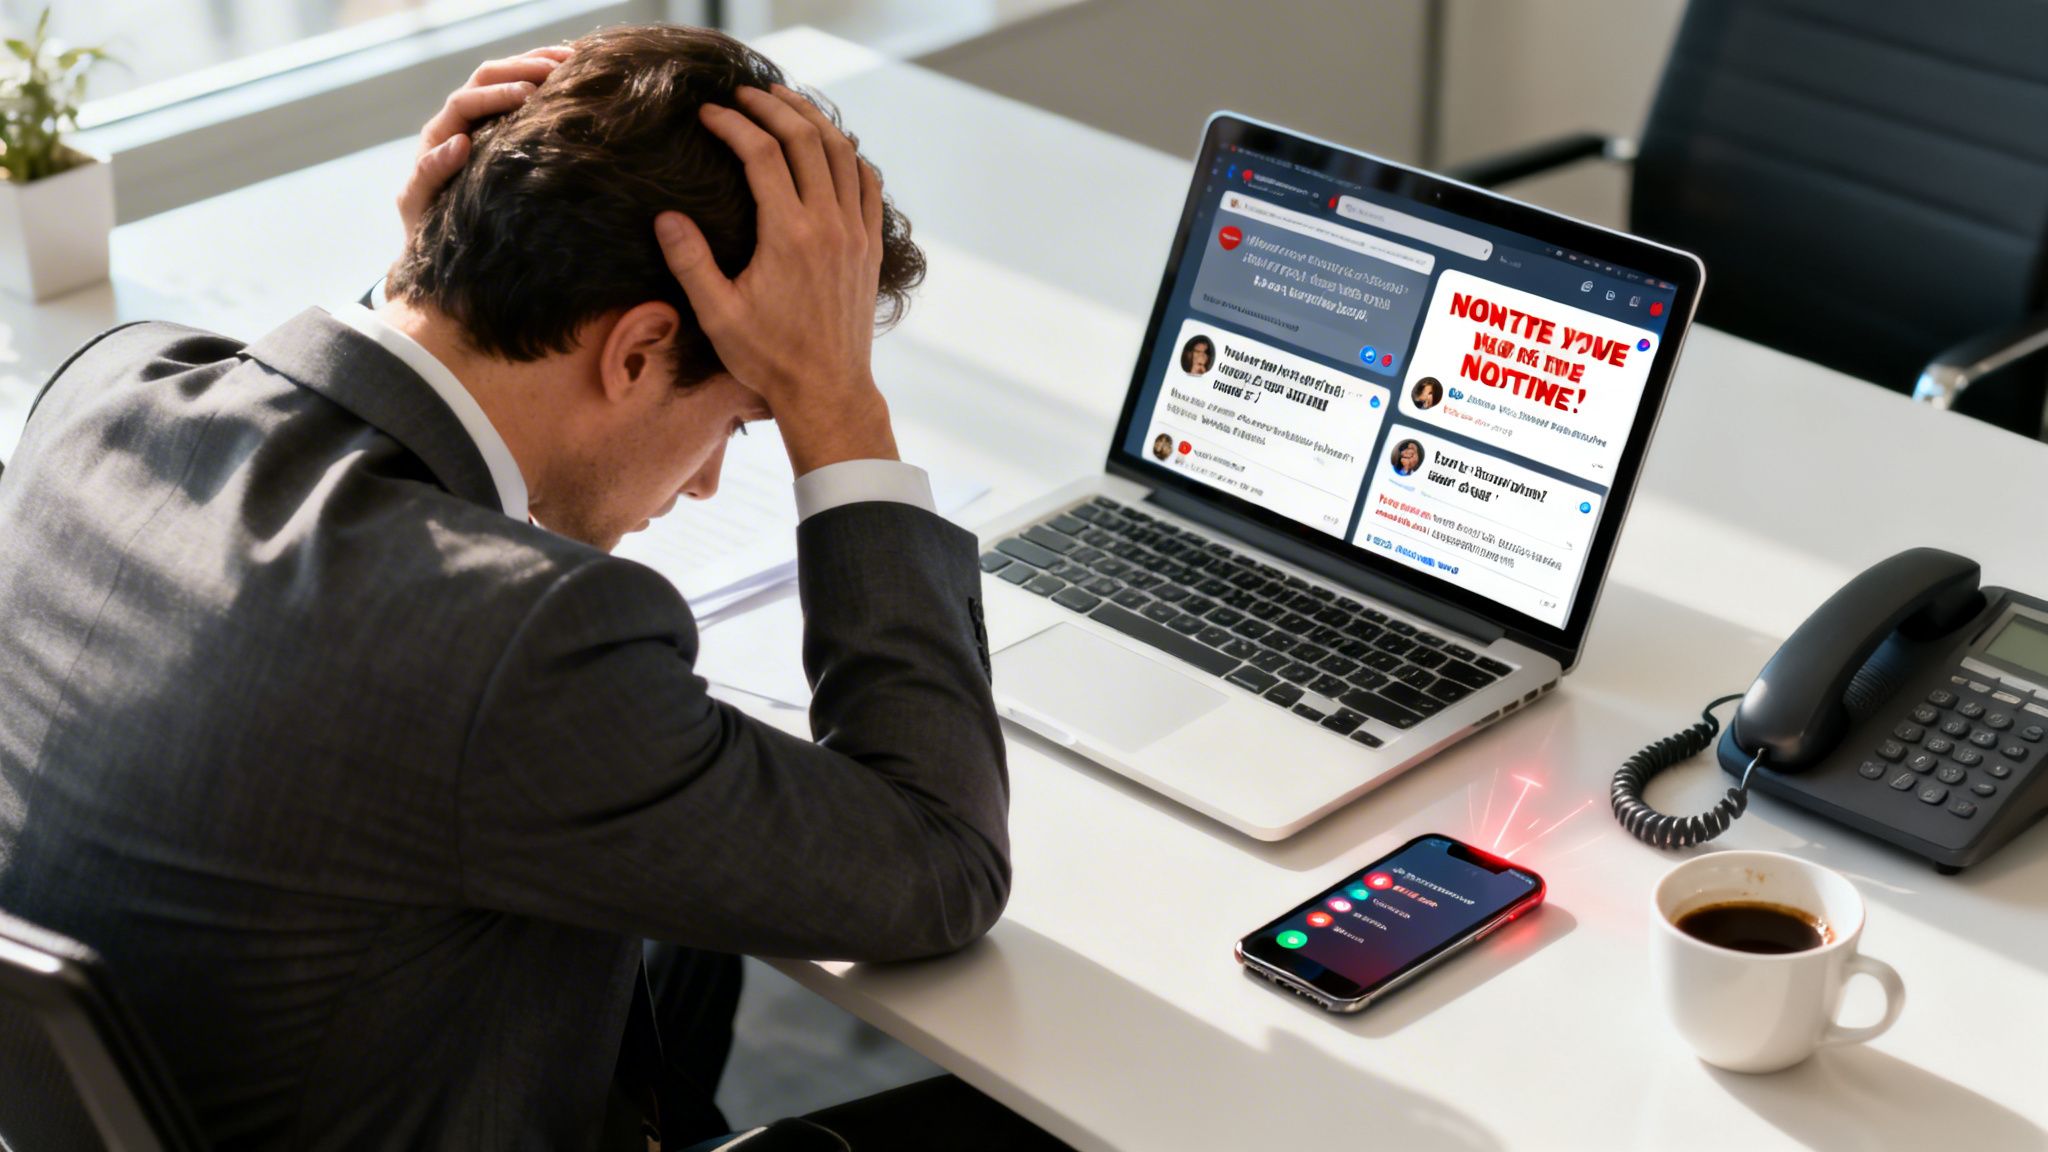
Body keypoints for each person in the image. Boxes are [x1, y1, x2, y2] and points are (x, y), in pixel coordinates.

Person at [0, 25, 1037, 1151]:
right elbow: (940, 860)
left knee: (689, 955)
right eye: (746, 417)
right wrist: (837, 407)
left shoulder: (111, 390)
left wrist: (441, 268)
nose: (704, 485)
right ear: (637, 350)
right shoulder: (528, 643)